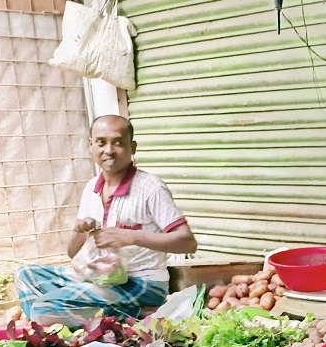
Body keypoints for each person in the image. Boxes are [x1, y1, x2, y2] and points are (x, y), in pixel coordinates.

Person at [15, 115, 198, 326]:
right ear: (91, 145)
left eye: (118, 143)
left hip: (143, 283)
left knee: (45, 308)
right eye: (101, 143)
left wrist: (131, 237)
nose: (109, 150)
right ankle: (127, 313)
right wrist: (80, 230)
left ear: (133, 147)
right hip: (101, 279)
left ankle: (124, 314)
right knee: (26, 275)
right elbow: (72, 252)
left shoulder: (150, 188)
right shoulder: (92, 188)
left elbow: (187, 242)